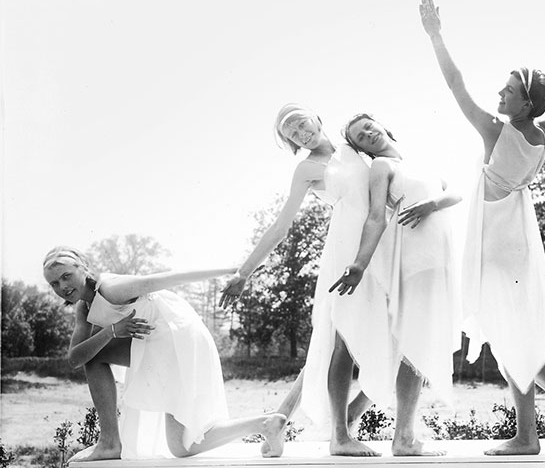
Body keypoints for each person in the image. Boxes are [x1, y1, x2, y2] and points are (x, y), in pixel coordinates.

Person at [420, 0, 545, 454]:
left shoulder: (497, 131)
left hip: (499, 241)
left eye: (507, 91)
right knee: (513, 339)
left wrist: (435, 35)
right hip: (515, 235)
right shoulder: (544, 128)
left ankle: (528, 436)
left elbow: (456, 84)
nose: (498, 95)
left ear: (524, 103)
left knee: (509, 341)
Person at [218, 104, 392, 456]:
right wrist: (243, 272)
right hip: (347, 251)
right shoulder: (306, 169)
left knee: (379, 338)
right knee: (338, 339)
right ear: (291, 143)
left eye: (300, 122)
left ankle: (282, 420)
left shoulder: (351, 146)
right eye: (291, 133)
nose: (299, 131)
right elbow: (281, 227)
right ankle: (340, 435)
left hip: (380, 245)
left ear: (316, 118)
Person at [42, 246, 287, 462]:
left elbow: (171, 278)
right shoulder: (84, 309)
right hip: (158, 345)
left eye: (66, 276)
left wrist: (240, 270)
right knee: (180, 447)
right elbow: (76, 358)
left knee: (181, 446)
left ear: (83, 268)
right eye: (54, 283)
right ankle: (265, 424)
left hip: (178, 340)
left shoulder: (111, 288)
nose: (62, 286)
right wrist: (112, 331)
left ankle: (109, 443)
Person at [331, 113, 462, 456]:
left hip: (439, 259)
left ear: (382, 125)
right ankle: (404, 437)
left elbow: (455, 194)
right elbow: (377, 215)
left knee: (416, 343)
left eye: (369, 126)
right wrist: (359, 264)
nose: (368, 134)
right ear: (360, 148)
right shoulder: (381, 167)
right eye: (360, 137)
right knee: (415, 343)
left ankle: (358, 415)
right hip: (411, 258)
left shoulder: (421, 159)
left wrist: (432, 203)